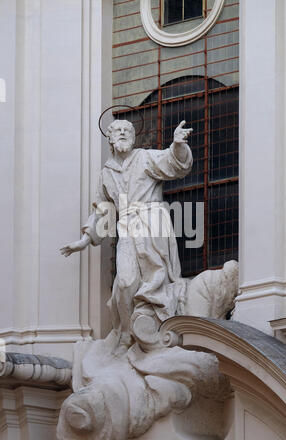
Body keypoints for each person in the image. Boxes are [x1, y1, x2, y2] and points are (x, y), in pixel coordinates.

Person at [61, 119, 193, 350]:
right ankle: (126, 334)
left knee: (156, 276)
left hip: (152, 221)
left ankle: (153, 326)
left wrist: (178, 144)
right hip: (128, 226)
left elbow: (174, 164)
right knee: (124, 281)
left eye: (127, 131)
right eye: (118, 131)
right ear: (110, 138)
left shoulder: (144, 157)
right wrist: (84, 239)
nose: (123, 133)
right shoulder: (106, 174)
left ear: (133, 137)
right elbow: (104, 211)